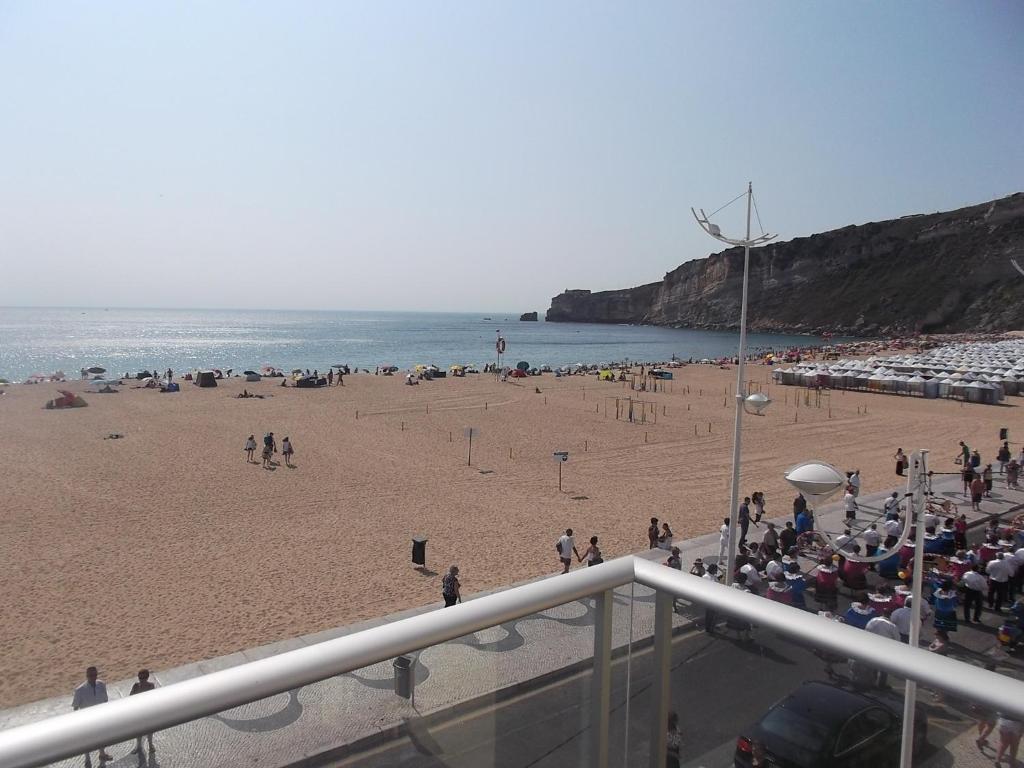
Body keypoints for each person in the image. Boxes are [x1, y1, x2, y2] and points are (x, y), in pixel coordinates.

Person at [72, 667, 113, 765]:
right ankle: (87, 758)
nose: (93, 677)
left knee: (101, 736)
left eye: (95, 675)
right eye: (91, 675)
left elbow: (105, 699)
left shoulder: (101, 685)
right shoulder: (80, 690)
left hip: (100, 716)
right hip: (87, 719)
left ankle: (102, 754)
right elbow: (75, 706)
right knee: (87, 739)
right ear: (87, 676)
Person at [865, 614, 900, 686]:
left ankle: (871, 681)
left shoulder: (873, 620)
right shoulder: (892, 626)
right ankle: (881, 684)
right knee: (884, 668)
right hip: (885, 649)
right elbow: (897, 639)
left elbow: (867, 629)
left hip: (872, 646)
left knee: (873, 665)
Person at [129, 670, 157, 761]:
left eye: (143, 678)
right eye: (140, 678)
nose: (142, 680)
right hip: (138, 711)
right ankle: (138, 745)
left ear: (147, 677)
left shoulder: (151, 686)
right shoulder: (136, 686)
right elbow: (130, 697)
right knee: (138, 730)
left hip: (148, 711)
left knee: (149, 729)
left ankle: (150, 744)